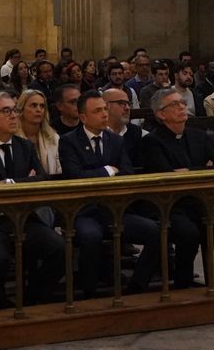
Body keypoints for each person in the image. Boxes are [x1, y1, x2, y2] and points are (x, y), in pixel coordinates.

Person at [138, 87, 214, 286]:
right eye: (174, 104)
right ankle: (183, 283)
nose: (182, 107)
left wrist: (189, 171)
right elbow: (166, 176)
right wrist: (199, 170)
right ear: (160, 114)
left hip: (204, 201)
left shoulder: (200, 136)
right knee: (188, 234)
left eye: (182, 102)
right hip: (173, 206)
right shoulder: (152, 141)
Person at [0, 91, 63, 308]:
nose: (13, 116)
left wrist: (8, 183)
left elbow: (41, 180)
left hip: (23, 216)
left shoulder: (24, 146)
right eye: (6, 111)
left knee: (59, 249)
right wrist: (22, 182)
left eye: (14, 110)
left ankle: (33, 298)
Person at [57, 90, 163, 296]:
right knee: (90, 236)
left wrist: (100, 174)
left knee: (155, 231)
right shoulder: (69, 141)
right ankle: (89, 292)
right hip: (84, 210)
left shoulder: (115, 140)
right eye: (97, 111)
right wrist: (107, 170)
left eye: (105, 109)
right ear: (83, 117)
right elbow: (75, 176)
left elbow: (126, 172)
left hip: (114, 209)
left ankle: (137, 286)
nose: (104, 114)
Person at [18, 87, 61, 176]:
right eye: (33, 105)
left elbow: (60, 170)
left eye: (42, 106)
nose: (39, 110)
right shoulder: (12, 138)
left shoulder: (53, 137)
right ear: (21, 109)